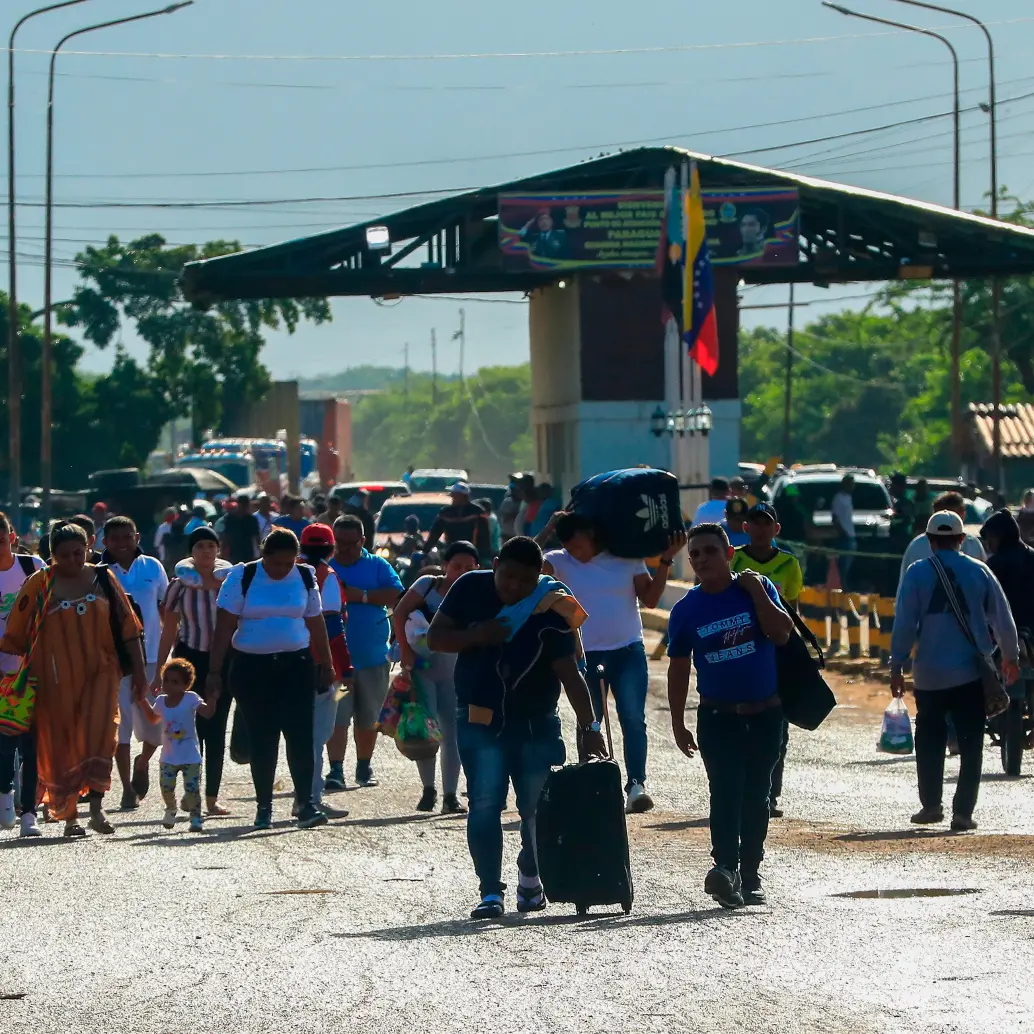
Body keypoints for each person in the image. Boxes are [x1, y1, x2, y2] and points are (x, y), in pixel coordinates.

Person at [427, 536, 606, 919]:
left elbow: (569, 673)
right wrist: (478, 634)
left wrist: (590, 725)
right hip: (479, 719)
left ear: (538, 576)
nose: (513, 587)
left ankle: (531, 872)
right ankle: (490, 892)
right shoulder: (470, 587)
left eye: (524, 580)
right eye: (506, 577)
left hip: (535, 724)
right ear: (494, 565)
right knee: (485, 805)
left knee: (537, 809)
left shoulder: (551, 605)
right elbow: (436, 638)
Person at [667, 523, 793, 909]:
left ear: (729, 554)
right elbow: (677, 667)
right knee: (724, 792)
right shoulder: (686, 610)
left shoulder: (756, 589)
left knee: (757, 796)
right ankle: (724, 868)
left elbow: (782, 634)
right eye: (696, 555)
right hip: (718, 717)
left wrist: (757, 592)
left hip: (766, 714)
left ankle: (750, 875)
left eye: (710, 551)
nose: (703, 559)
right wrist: (677, 721)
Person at [0, 523, 146, 837]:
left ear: (89, 549)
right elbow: (16, 632)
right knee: (61, 745)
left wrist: (141, 674)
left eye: (79, 553)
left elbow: (129, 628)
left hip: (100, 675)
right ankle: (69, 818)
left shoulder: (103, 579)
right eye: (64, 555)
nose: (72, 560)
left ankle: (96, 808)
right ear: (51, 556)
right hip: (54, 681)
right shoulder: (39, 583)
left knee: (100, 737)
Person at [541, 511, 685, 813]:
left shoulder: (626, 559)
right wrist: (546, 530)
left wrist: (666, 561)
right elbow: (524, 566)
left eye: (577, 544)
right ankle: (591, 784)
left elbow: (650, 599)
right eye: (567, 544)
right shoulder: (557, 560)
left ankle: (636, 785)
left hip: (627, 650)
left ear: (591, 534)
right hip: (582, 655)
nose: (573, 552)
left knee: (633, 719)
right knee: (589, 722)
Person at [891, 510, 1020, 832]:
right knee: (971, 741)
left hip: (929, 674)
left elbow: (905, 623)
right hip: (970, 673)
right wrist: (1010, 656)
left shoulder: (917, 572)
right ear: (962, 540)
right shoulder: (979, 570)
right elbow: (1002, 618)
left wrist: (897, 663)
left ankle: (931, 805)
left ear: (930, 541)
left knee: (930, 739)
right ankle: (962, 813)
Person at [208, 528, 337, 830]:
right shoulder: (243, 577)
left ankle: (305, 803)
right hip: (252, 667)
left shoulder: (305, 577)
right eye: (276, 563)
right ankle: (264, 806)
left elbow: (316, 622)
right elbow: (224, 629)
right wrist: (214, 672)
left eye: (288, 563)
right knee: (263, 736)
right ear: (263, 556)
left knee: (301, 735)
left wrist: (327, 663)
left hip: (296, 665)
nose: (282, 569)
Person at [393, 541, 480, 814]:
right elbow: (399, 612)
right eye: (456, 566)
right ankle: (428, 790)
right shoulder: (427, 585)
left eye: (469, 567)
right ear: (445, 565)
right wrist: (405, 652)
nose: (462, 572)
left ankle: (450, 795)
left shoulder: (477, 590)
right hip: (422, 667)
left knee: (452, 734)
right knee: (426, 730)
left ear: (477, 568)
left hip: (455, 670)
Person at [152, 526, 234, 817]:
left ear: (218, 549)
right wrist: (161, 669)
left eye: (211, 546)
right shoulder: (180, 585)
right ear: (192, 551)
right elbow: (169, 630)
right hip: (190, 659)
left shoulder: (231, 582)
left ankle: (211, 798)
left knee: (217, 726)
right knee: (190, 727)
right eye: (200, 546)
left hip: (224, 659)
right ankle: (191, 793)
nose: (206, 552)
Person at [730, 502, 804, 819]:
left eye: (766, 523)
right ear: (745, 527)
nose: (761, 529)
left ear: (776, 529)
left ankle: (770, 794)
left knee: (777, 729)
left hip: (775, 653)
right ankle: (739, 789)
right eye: (754, 523)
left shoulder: (789, 564)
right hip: (737, 652)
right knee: (735, 725)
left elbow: (794, 612)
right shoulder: (733, 559)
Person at [325, 515, 403, 790]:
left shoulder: (377, 565)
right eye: (339, 542)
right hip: (337, 666)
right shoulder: (324, 567)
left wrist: (363, 596)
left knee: (368, 717)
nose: (344, 548)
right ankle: (335, 769)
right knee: (337, 716)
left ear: (363, 541)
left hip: (371, 660)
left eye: (351, 543)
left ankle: (363, 766)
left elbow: (398, 596)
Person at [102, 515, 170, 811]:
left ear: (137, 537)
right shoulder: (99, 573)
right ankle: (127, 786)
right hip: (115, 661)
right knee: (122, 725)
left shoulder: (153, 567)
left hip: (153, 656)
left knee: (157, 722)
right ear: (104, 542)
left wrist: (171, 651)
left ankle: (143, 762)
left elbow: (167, 610)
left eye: (126, 536)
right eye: (114, 538)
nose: (121, 543)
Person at [298, 523, 352, 820]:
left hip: (290, 663)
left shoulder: (288, 570)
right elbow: (333, 628)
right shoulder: (327, 576)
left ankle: (304, 796)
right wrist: (347, 669)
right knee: (320, 734)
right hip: (326, 669)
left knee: (302, 736)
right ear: (331, 549)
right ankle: (312, 798)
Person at [0, 511, 46, 836]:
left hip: (31, 669)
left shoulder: (33, 568)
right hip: (0, 673)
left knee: (32, 744)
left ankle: (29, 813)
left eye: (1, 541)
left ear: (12, 538)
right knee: (4, 743)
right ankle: (5, 796)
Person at [137, 658, 220, 832]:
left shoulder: (190, 698)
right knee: (166, 787)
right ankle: (171, 808)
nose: (169, 685)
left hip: (190, 756)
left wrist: (212, 699)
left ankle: (195, 818)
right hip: (168, 757)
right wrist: (142, 701)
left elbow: (207, 713)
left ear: (185, 685)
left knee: (192, 790)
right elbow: (153, 718)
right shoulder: (160, 701)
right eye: (166, 680)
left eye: (175, 682)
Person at [897, 491, 986, 589]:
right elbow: (905, 589)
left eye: (952, 515)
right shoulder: (917, 547)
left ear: (963, 514)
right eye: (940, 516)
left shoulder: (973, 544)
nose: (946, 519)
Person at [982, 509, 1034, 638]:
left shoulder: (995, 564)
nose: (988, 545)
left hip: (1007, 634)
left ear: (998, 537)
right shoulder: (1031, 555)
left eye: (990, 538)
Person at [425, 483, 491, 562]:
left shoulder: (477, 512)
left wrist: (485, 554)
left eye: (454, 494)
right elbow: (435, 534)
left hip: (473, 552)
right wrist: (425, 550)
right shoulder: (446, 512)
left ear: (463, 496)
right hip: (451, 551)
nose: (452, 496)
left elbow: (485, 537)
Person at [219, 493, 261, 564]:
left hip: (247, 552)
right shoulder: (231, 518)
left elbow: (257, 537)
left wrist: (261, 550)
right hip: (235, 552)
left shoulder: (251, 519)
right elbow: (226, 537)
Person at [831, 474, 856, 590]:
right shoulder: (838, 498)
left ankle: (847, 586)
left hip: (851, 535)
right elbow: (835, 518)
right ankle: (843, 587)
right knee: (843, 565)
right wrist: (842, 532)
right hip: (844, 536)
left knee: (850, 564)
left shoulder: (849, 498)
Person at [498, 475, 523, 540]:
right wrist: (517, 514)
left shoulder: (523, 502)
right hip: (508, 535)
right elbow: (504, 519)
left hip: (518, 535)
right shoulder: (508, 502)